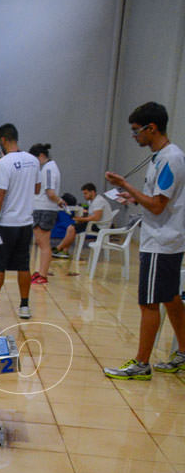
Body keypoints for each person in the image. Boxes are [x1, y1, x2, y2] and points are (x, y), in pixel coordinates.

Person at [103, 102, 185, 380]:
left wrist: (126, 186)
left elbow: (159, 205)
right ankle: (184, 353)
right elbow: (157, 200)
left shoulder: (170, 159)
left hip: (160, 243)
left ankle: (141, 364)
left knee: (149, 303)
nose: (135, 136)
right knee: (171, 299)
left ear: (152, 128)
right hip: (166, 239)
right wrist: (132, 196)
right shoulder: (161, 157)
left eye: (137, 131)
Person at [0, 123, 39, 320]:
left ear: (3, 140)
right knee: (23, 265)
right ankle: (24, 306)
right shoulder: (33, 161)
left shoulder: (3, 163)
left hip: (5, 223)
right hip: (25, 223)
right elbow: (37, 189)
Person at [29, 143, 64, 285]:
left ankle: (43, 274)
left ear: (41, 156)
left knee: (44, 244)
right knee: (40, 242)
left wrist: (60, 201)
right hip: (41, 208)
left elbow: (50, 192)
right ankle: (39, 271)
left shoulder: (50, 169)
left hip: (45, 209)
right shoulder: (47, 168)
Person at [53, 184, 112, 258]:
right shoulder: (92, 201)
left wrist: (80, 219)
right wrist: (81, 219)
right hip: (95, 224)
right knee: (73, 227)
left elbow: (96, 218)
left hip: (100, 226)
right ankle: (64, 251)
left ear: (92, 192)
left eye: (86, 193)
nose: (84, 196)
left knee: (72, 228)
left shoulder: (98, 201)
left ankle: (58, 248)